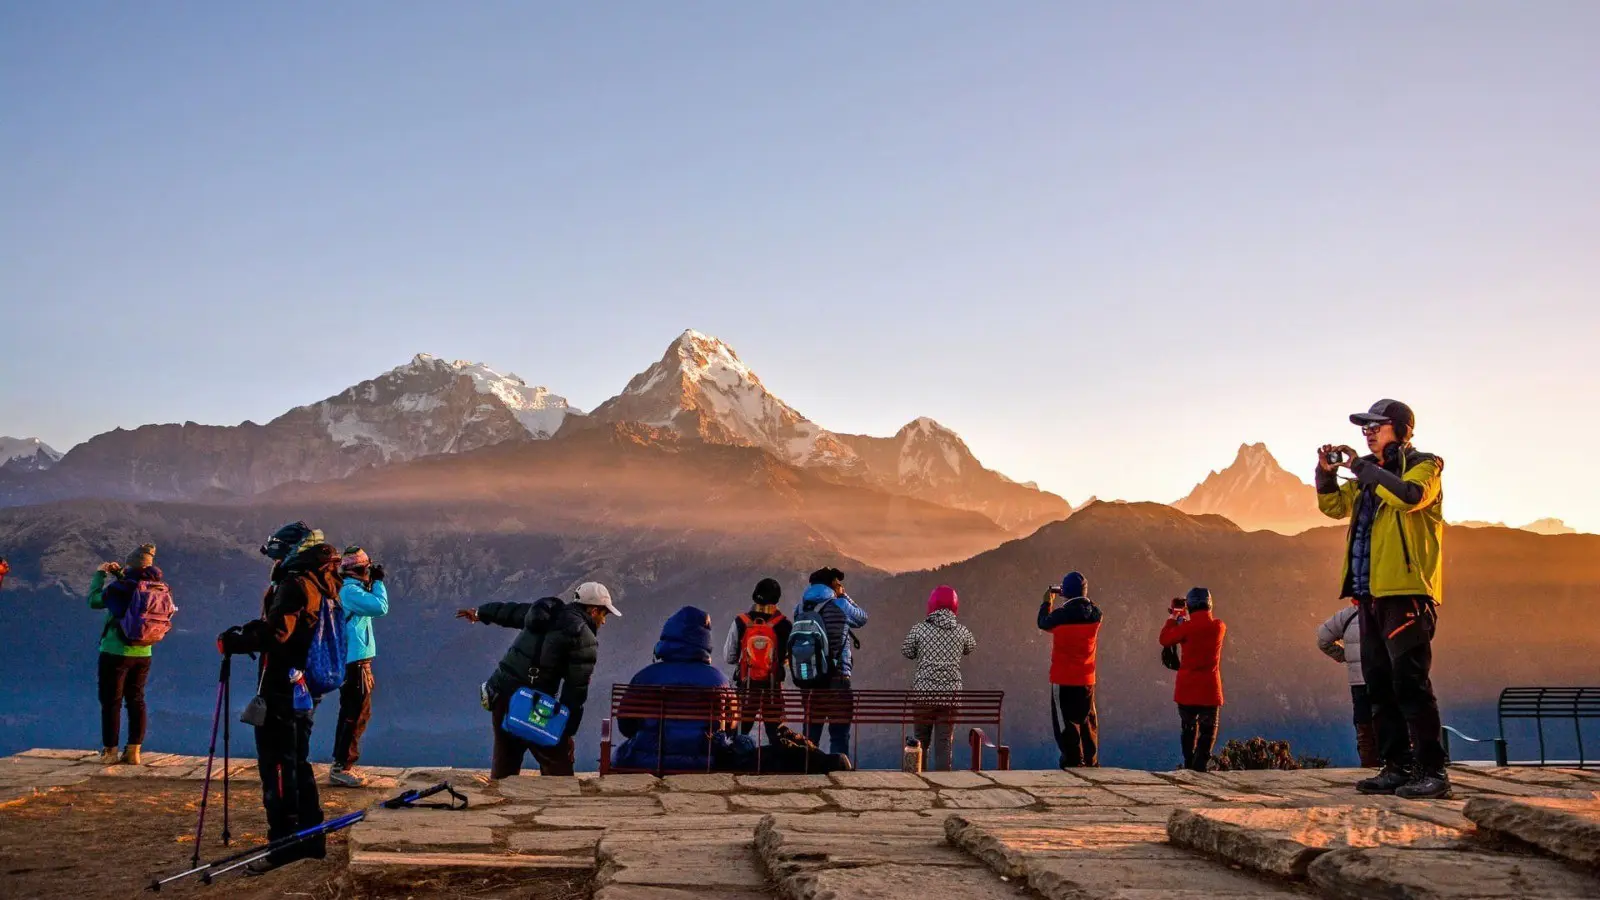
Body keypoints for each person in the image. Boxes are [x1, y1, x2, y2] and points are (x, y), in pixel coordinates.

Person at [1316, 399, 1449, 800]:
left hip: (1406, 591)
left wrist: (1363, 468)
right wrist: (1325, 475)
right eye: (1365, 427)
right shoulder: (1365, 481)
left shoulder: (1426, 466)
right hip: (1369, 595)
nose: (1369, 432)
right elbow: (1333, 506)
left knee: (1409, 680)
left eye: (1377, 425)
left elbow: (1409, 496)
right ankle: (1396, 766)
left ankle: (1433, 770)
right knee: (1378, 682)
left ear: (1402, 430)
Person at [217, 541, 344, 875]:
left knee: (276, 765)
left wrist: (236, 641)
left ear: (291, 554)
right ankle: (312, 838)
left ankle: (283, 843)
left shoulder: (294, 584)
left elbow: (278, 634)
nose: (274, 561)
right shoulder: (324, 583)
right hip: (305, 686)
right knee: (296, 761)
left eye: (277, 555)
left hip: (282, 690)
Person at [457, 581, 619, 778]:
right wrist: (566, 731)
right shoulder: (584, 638)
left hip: (501, 691)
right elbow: (575, 690)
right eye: (605, 614)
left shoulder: (546, 612)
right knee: (556, 763)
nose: (604, 621)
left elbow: (511, 612)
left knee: (506, 759)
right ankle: (557, 803)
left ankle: (502, 798)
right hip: (532, 704)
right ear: (594, 611)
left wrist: (480, 613)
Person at [614, 606, 733, 772]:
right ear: (705, 641)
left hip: (648, 760)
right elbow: (730, 725)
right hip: (705, 761)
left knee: (619, 753)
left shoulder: (644, 677)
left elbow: (625, 725)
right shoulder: (720, 681)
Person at [87, 543, 161, 766]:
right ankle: (134, 752)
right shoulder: (156, 586)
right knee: (137, 699)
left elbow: (94, 600)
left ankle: (110, 751)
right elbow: (133, 586)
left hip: (115, 651)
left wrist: (100, 575)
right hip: (144, 651)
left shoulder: (120, 589)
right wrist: (119, 574)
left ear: (132, 564)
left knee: (112, 701)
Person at [330, 547, 389, 787]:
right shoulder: (350, 591)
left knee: (356, 712)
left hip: (356, 660)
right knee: (355, 713)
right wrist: (378, 583)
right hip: (354, 662)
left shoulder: (349, 589)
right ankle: (342, 766)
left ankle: (343, 763)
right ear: (361, 569)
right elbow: (380, 607)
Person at [793, 567, 869, 754]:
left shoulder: (801, 608)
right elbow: (862, 618)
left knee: (811, 734)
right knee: (839, 734)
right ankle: (838, 772)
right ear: (832, 585)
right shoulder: (840, 605)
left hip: (810, 679)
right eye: (838, 582)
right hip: (838, 678)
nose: (841, 585)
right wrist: (844, 596)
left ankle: (807, 769)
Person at [901, 584, 976, 771]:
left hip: (923, 695)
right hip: (950, 696)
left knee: (921, 739)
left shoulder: (919, 629)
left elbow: (907, 651)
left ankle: (921, 776)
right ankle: (942, 778)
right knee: (944, 742)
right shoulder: (962, 631)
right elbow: (970, 647)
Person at [1038, 571, 1102, 768]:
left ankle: (1073, 761)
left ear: (1065, 592)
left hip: (1063, 678)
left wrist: (1047, 602)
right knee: (1087, 720)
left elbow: (1043, 623)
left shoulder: (1060, 616)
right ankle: (1091, 760)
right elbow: (1088, 608)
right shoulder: (1096, 615)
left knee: (1065, 722)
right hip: (1086, 678)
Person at [1159, 587, 1226, 772]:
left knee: (1188, 728)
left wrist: (1174, 617)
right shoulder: (1219, 626)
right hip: (1210, 690)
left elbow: (1164, 639)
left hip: (1186, 689)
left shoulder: (1185, 628)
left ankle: (1188, 764)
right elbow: (1200, 626)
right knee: (1208, 731)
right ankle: (1200, 766)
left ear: (1191, 605)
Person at [723, 578, 791, 745]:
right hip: (772, 687)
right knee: (774, 732)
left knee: (740, 730)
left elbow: (729, 657)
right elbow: (790, 657)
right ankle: (775, 765)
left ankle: (736, 763)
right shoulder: (785, 624)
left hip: (746, 685)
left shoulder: (741, 621)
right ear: (777, 598)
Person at [1317, 602, 1379, 767]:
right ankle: (1396, 767)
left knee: (1364, 725)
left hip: (1358, 681)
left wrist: (1346, 656)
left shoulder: (1347, 616)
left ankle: (1368, 767)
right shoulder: (1388, 613)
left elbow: (1323, 640)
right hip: (1385, 679)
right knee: (1391, 722)